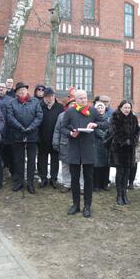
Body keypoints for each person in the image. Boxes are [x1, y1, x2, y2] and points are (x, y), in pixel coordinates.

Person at [61, 89, 108, 218]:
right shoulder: (70, 111)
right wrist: (70, 133)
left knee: (88, 179)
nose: (84, 100)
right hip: (74, 149)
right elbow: (62, 127)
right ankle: (75, 204)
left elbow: (105, 123)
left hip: (88, 149)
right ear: (75, 99)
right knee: (74, 179)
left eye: (85, 98)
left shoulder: (93, 110)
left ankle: (87, 206)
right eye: (81, 98)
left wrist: (95, 125)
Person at [6, 82, 43, 193]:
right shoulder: (12, 103)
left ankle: (30, 183)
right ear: (16, 92)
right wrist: (20, 127)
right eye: (19, 90)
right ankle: (19, 182)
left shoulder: (35, 102)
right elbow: (10, 117)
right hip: (17, 135)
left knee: (31, 160)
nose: (22, 91)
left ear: (27, 91)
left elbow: (39, 116)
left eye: (24, 89)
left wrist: (30, 127)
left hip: (32, 136)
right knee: (18, 160)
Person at [109, 100, 140, 206]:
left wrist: (132, 140)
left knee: (127, 172)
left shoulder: (134, 118)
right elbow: (113, 132)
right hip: (119, 149)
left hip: (130, 149)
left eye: (129, 108)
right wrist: (123, 140)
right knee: (120, 172)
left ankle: (124, 194)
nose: (127, 110)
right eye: (125, 107)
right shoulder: (115, 117)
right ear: (120, 107)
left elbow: (137, 132)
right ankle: (119, 195)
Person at [38, 87, 63, 189]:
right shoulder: (39, 106)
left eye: (51, 96)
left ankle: (53, 179)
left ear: (54, 96)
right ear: (44, 97)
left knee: (54, 159)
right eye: (47, 97)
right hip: (42, 137)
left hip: (55, 138)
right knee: (42, 158)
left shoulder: (60, 107)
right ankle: (43, 178)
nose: (50, 98)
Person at [92, 101, 110, 192]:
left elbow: (110, 128)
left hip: (107, 145)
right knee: (97, 165)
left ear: (104, 109)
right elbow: (95, 130)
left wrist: (107, 136)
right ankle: (96, 185)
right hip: (97, 144)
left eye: (101, 107)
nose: (100, 109)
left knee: (106, 165)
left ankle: (105, 184)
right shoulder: (93, 119)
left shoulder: (108, 118)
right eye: (98, 108)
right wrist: (104, 135)